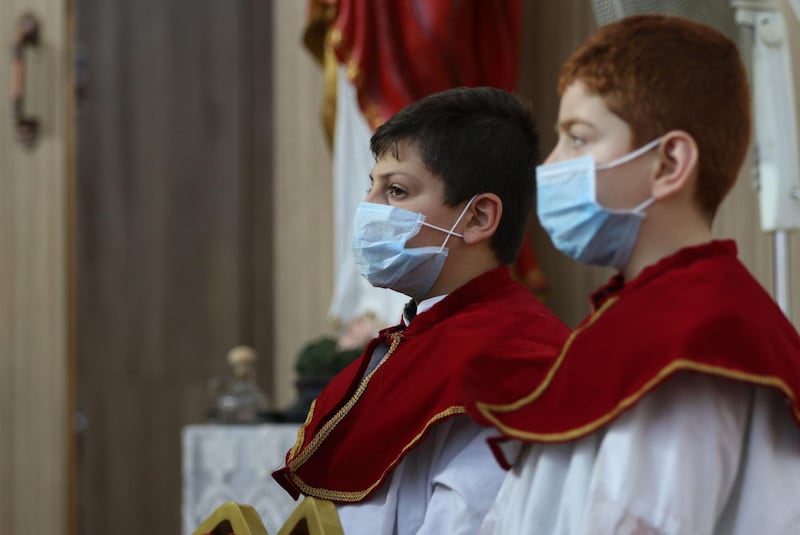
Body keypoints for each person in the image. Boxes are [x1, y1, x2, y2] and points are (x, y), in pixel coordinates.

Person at [478, 15, 800, 534]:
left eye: (578, 139)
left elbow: (642, 519)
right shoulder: (636, 316)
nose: (552, 164)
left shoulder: (693, 338)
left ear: (669, 162)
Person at [272, 86, 571, 534]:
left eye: (396, 190)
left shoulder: (505, 361)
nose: (368, 209)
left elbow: (471, 517)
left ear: (477, 218)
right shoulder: (418, 336)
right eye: (370, 187)